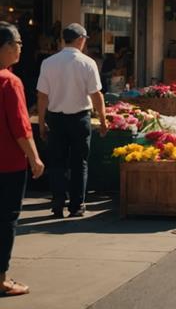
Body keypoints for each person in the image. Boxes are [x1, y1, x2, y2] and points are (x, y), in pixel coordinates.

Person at [37, 23, 107, 218]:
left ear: (63, 40)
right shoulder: (87, 63)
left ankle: (58, 202)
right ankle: (77, 206)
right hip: (80, 119)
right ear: (80, 40)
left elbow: (42, 96)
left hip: (56, 119)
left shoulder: (48, 62)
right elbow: (96, 95)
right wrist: (103, 119)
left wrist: (41, 123)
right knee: (79, 163)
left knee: (57, 163)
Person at [0, 22, 45, 297]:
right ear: (4, 46)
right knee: (6, 220)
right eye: (17, 43)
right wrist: (35, 158)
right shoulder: (9, 81)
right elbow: (21, 127)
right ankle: (1, 278)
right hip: (8, 164)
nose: (20, 48)